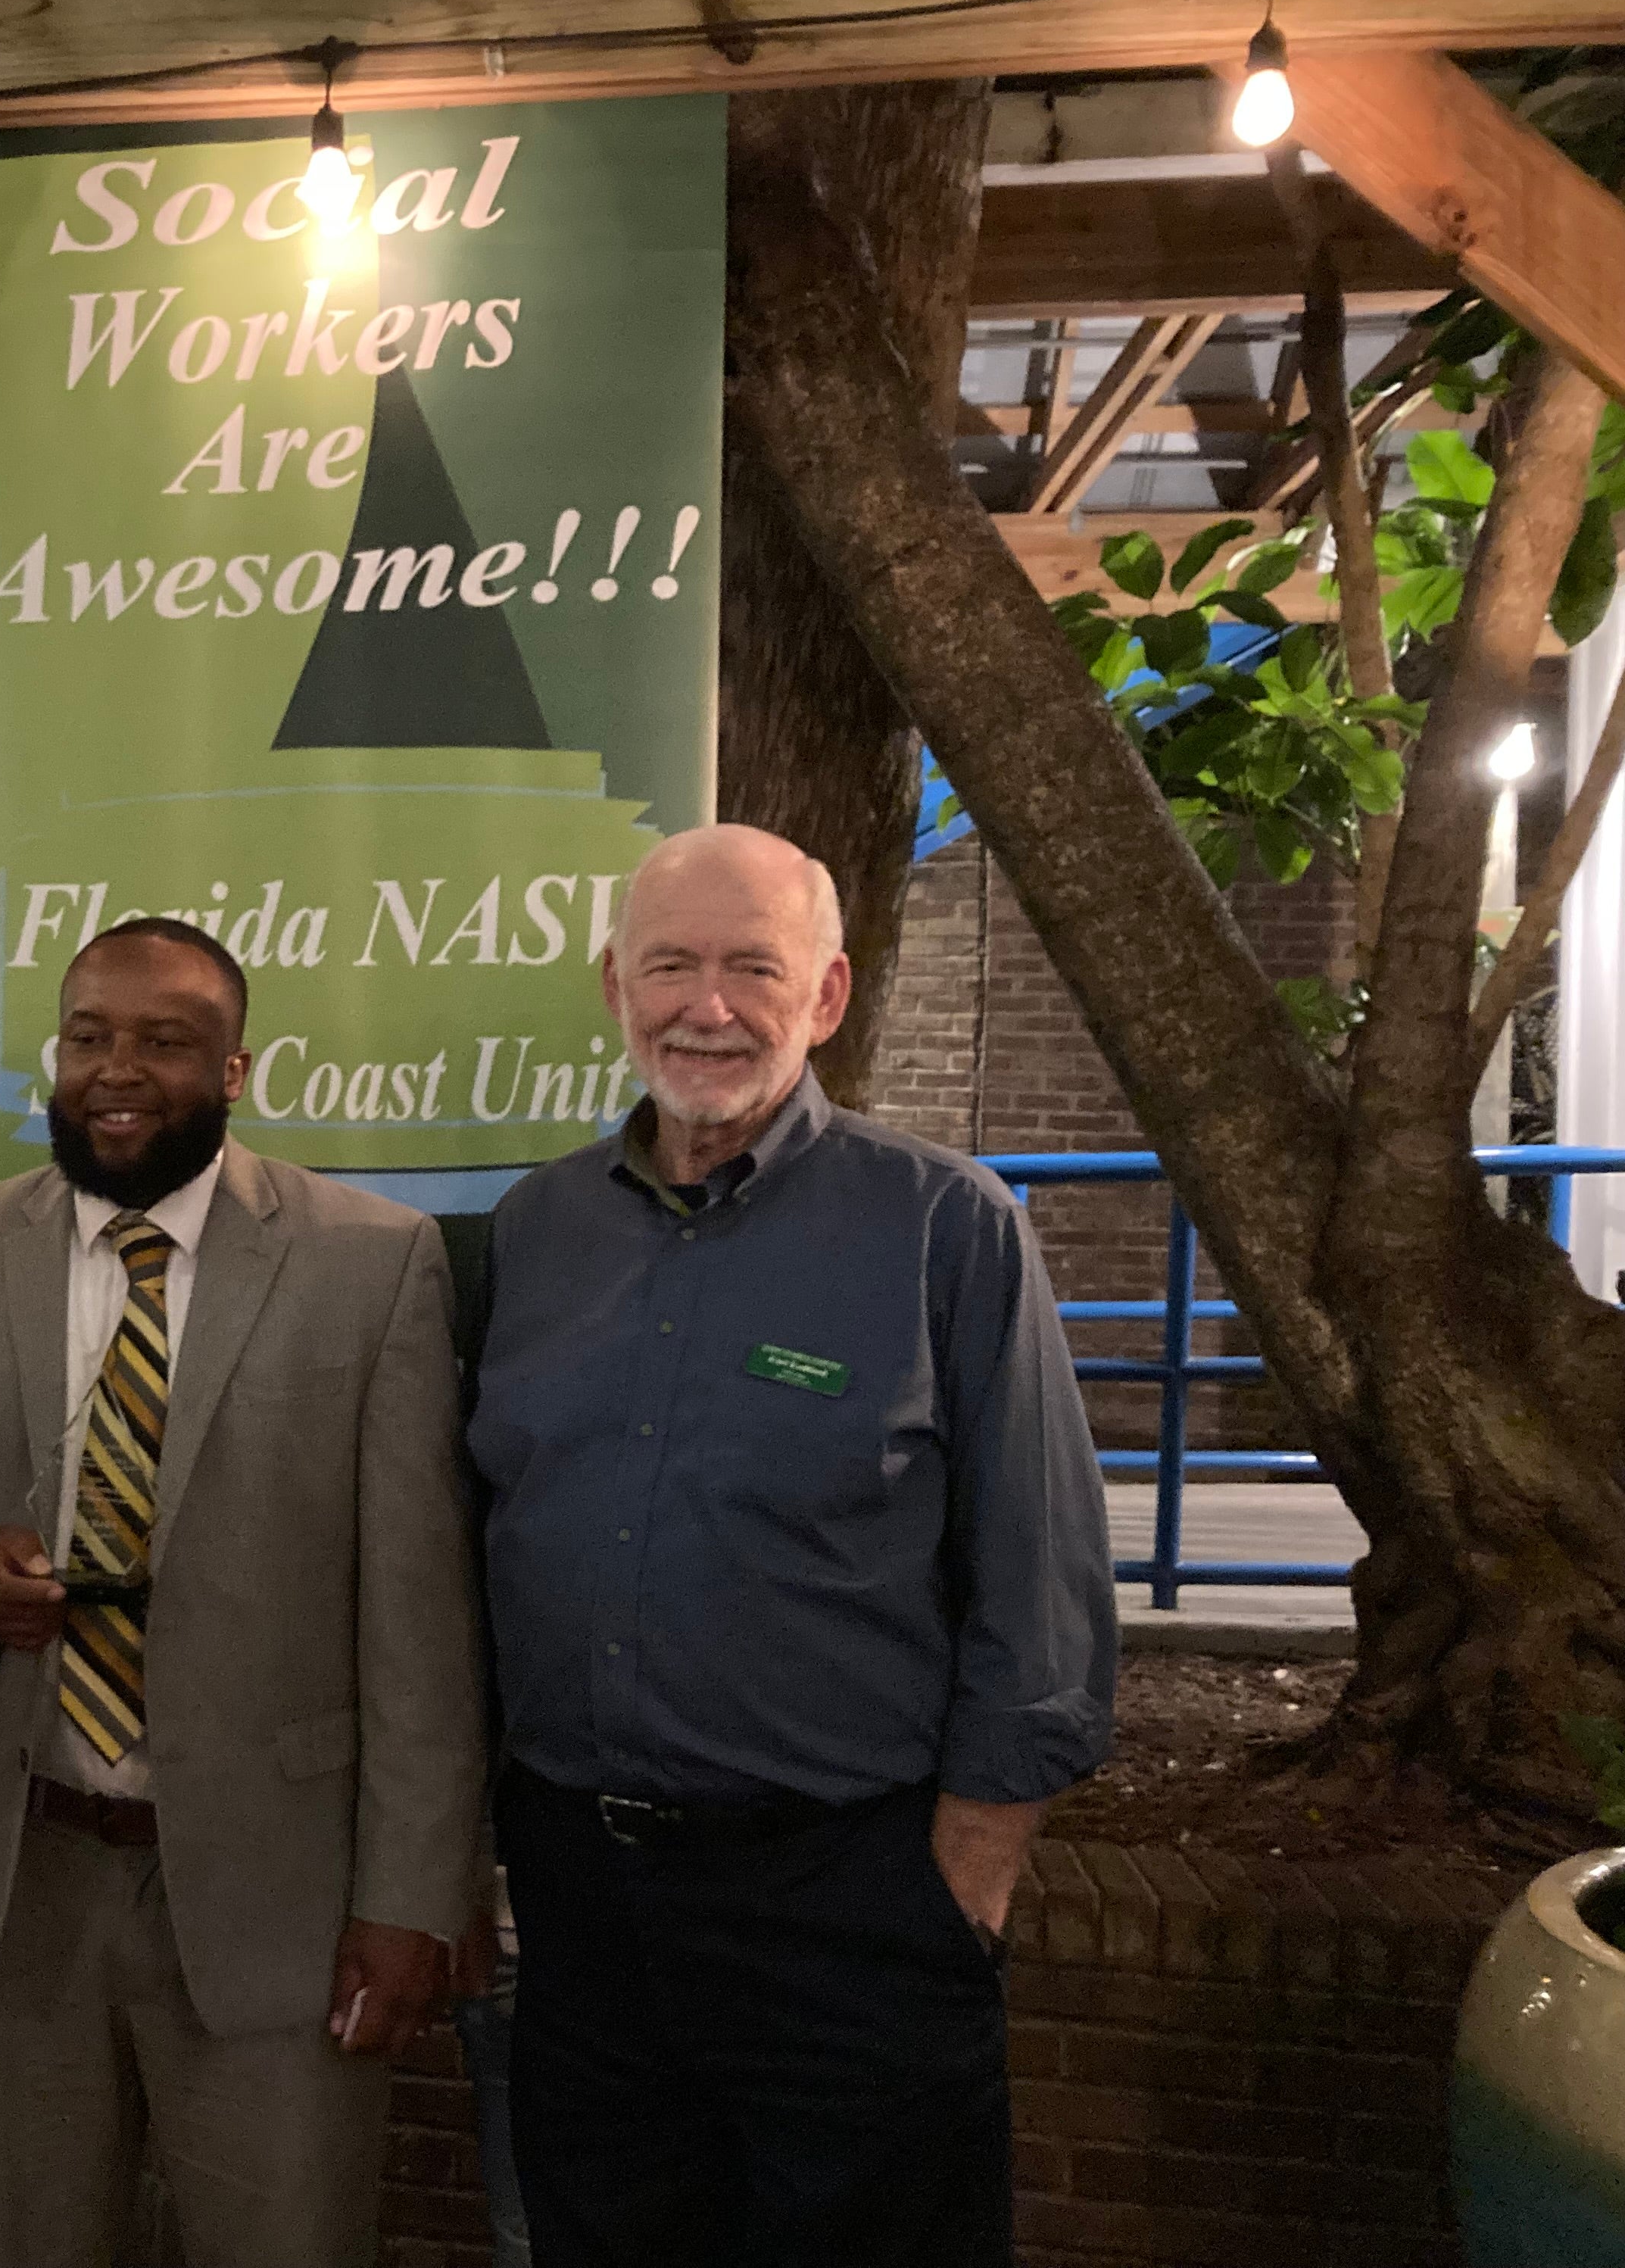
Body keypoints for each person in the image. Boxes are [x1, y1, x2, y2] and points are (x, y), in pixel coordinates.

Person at [466, 823, 1117, 2268]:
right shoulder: (534, 1232)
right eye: (672, 966)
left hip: (849, 1908)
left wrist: (964, 1882)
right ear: (614, 988)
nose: (709, 1006)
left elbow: (1044, 1590)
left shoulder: (947, 1227)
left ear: (825, 997)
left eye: (753, 968)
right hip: (586, 1911)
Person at [0, 917, 485, 2268]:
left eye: (164, 1042)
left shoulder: (373, 1262)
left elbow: (421, 1618)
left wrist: (412, 1897)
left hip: (284, 1909)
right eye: (89, 1037)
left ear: (238, 1068)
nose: (117, 1070)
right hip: (29, 1890)